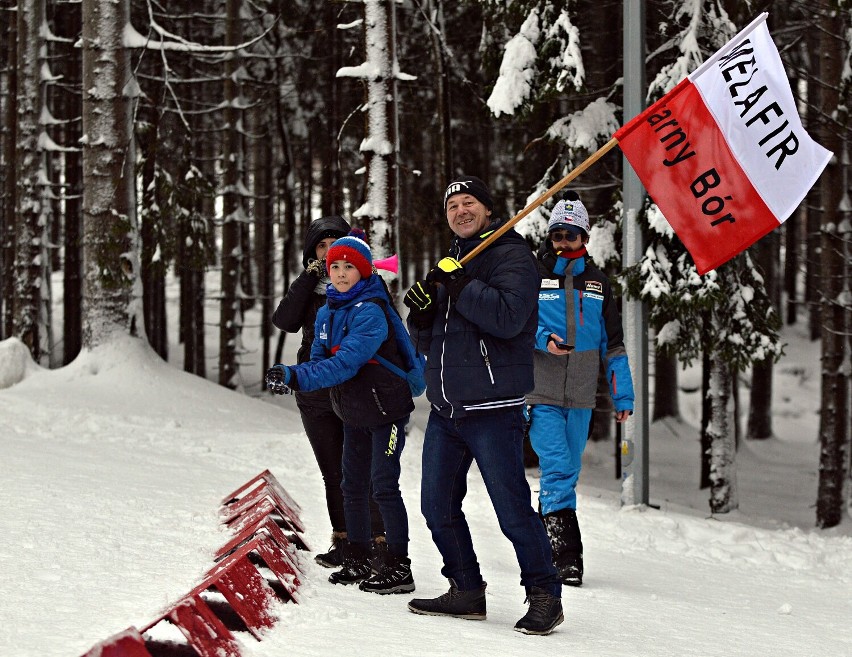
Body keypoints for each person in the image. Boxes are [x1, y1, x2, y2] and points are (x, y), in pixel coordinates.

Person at [403, 175, 563, 635]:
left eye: (468, 203)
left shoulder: (513, 256)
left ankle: (545, 594)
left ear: (488, 210)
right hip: (447, 409)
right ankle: (466, 589)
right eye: (452, 206)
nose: (460, 211)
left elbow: (509, 319)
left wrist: (461, 284)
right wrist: (422, 314)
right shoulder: (452, 260)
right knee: (436, 506)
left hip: (494, 408)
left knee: (511, 508)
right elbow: (431, 340)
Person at [266, 231, 415, 595]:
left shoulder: (372, 313)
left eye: (350, 266)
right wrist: (296, 377)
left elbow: (345, 363)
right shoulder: (326, 312)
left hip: (386, 411)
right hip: (353, 411)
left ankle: (398, 566)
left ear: (364, 272)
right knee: (350, 485)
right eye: (335, 266)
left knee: (382, 486)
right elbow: (319, 362)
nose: (341, 273)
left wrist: (294, 376)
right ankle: (358, 557)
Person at [529, 192, 634, 587]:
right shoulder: (535, 275)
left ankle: (542, 544)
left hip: (582, 395)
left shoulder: (599, 283)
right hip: (541, 392)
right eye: (556, 233)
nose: (562, 241)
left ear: (584, 237)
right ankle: (567, 559)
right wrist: (545, 340)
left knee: (567, 473)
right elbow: (517, 329)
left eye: (570, 234)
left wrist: (623, 395)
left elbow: (616, 344)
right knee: (556, 467)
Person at [271, 217, 385, 569]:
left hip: (355, 389)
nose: (329, 252)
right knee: (332, 471)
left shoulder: (365, 287)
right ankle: (345, 539)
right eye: (322, 245)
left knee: (362, 470)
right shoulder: (309, 289)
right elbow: (285, 320)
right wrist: (307, 278)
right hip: (315, 391)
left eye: (336, 243)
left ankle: (378, 542)